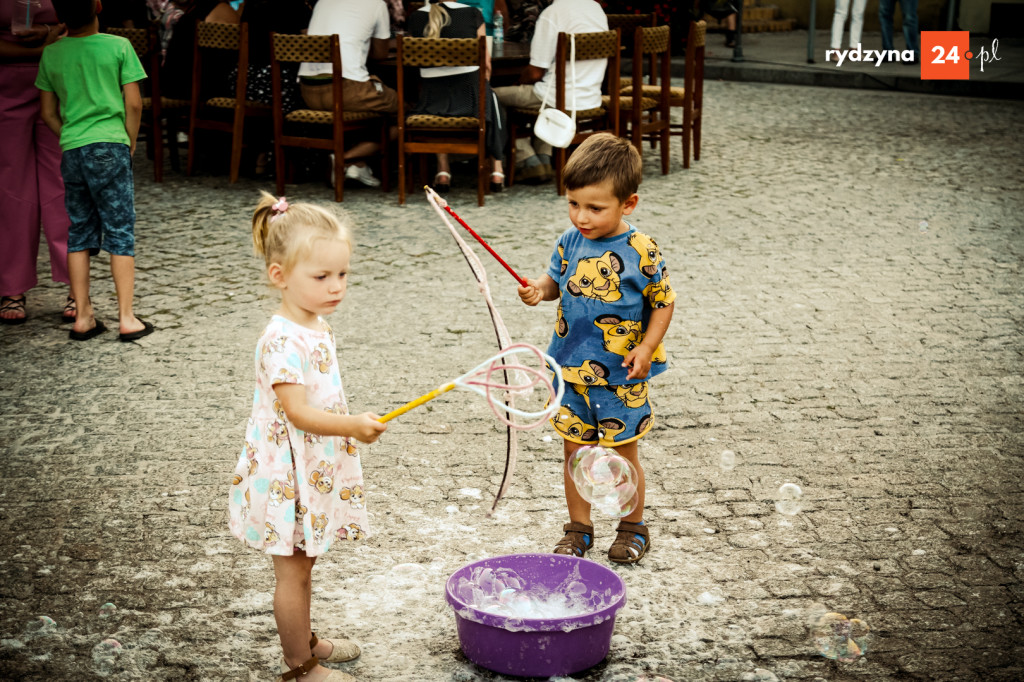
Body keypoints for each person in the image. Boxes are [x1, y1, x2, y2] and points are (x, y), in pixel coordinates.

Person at [228, 191, 387, 682]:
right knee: (293, 572)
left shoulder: (314, 324)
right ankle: (299, 666)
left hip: (309, 465)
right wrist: (352, 426)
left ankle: (306, 640)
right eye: (321, 277)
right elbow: (297, 412)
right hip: (286, 473)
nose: (336, 286)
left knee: (306, 562)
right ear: (280, 276)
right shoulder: (281, 339)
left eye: (342, 274)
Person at [517, 133, 675, 564]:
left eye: (594, 208)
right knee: (574, 452)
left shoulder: (641, 250)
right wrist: (538, 290)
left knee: (623, 452)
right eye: (573, 204)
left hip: (622, 375)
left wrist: (646, 347)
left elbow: (664, 303)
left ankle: (632, 526)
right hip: (569, 371)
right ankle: (579, 528)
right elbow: (555, 282)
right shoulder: (569, 241)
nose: (581, 216)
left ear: (629, 204)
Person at [36, 0, 154, 342]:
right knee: (119, 230)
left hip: (73, 149)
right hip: (111, 145)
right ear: (99, 6)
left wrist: (71, 137)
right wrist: (128, 142)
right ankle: (127, 318)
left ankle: (83, 316)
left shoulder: (51, 54)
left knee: (79, 230)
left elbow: (47, 112)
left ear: (59, 15)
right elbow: (133, 103)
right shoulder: (119, 46)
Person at [0, 0, 74, 325]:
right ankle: (11, 286)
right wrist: (46, 46)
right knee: (11, 190)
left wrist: (48, 32)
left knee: (64, 185)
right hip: (5, 84)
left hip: (58, 82)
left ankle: (77, 284)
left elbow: (88, 15)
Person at [493, 0, 607, 184]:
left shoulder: (553, 13)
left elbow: (535, 72)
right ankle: (543, 157)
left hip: (558, 96)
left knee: (492, 96)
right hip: (590, 95)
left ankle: (527, 159)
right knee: (542, 97)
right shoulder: (595, 9)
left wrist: (517, 83)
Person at [407, 0, 508, 193]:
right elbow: (485, 64)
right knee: (491, 98)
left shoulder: (415, 17)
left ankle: (443, 170)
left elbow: (414, 67)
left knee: (450, 93)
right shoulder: (471, 14)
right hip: (470, 102)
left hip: (430, 103)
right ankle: (496, 169)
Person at [298, 0, 399, 188]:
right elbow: (379, 54)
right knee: (404, 112)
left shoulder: (322, 2)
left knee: (369, 108)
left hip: (308, 90)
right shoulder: (376, 4)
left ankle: (358, 165)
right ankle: (344, 158)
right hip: (346, 89)